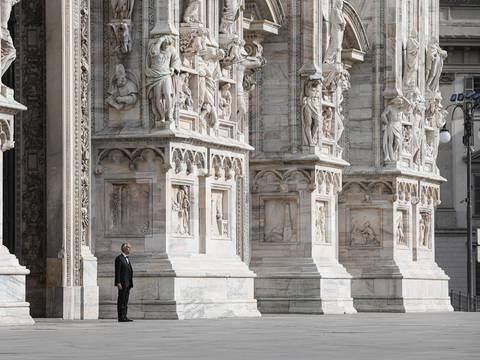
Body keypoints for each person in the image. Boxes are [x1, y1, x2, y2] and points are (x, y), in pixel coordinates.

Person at [115, 243, 133, 322]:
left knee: (125, 300)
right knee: (121, 300)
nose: (130, 249)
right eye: (128, 248)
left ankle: (125, 316)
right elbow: (117, 272)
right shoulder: (119, 258)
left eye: (130, 247)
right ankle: (121, 317)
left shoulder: (127, 259)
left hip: (128, 283)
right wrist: (118, 282)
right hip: (122, 283)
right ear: (124, 249)